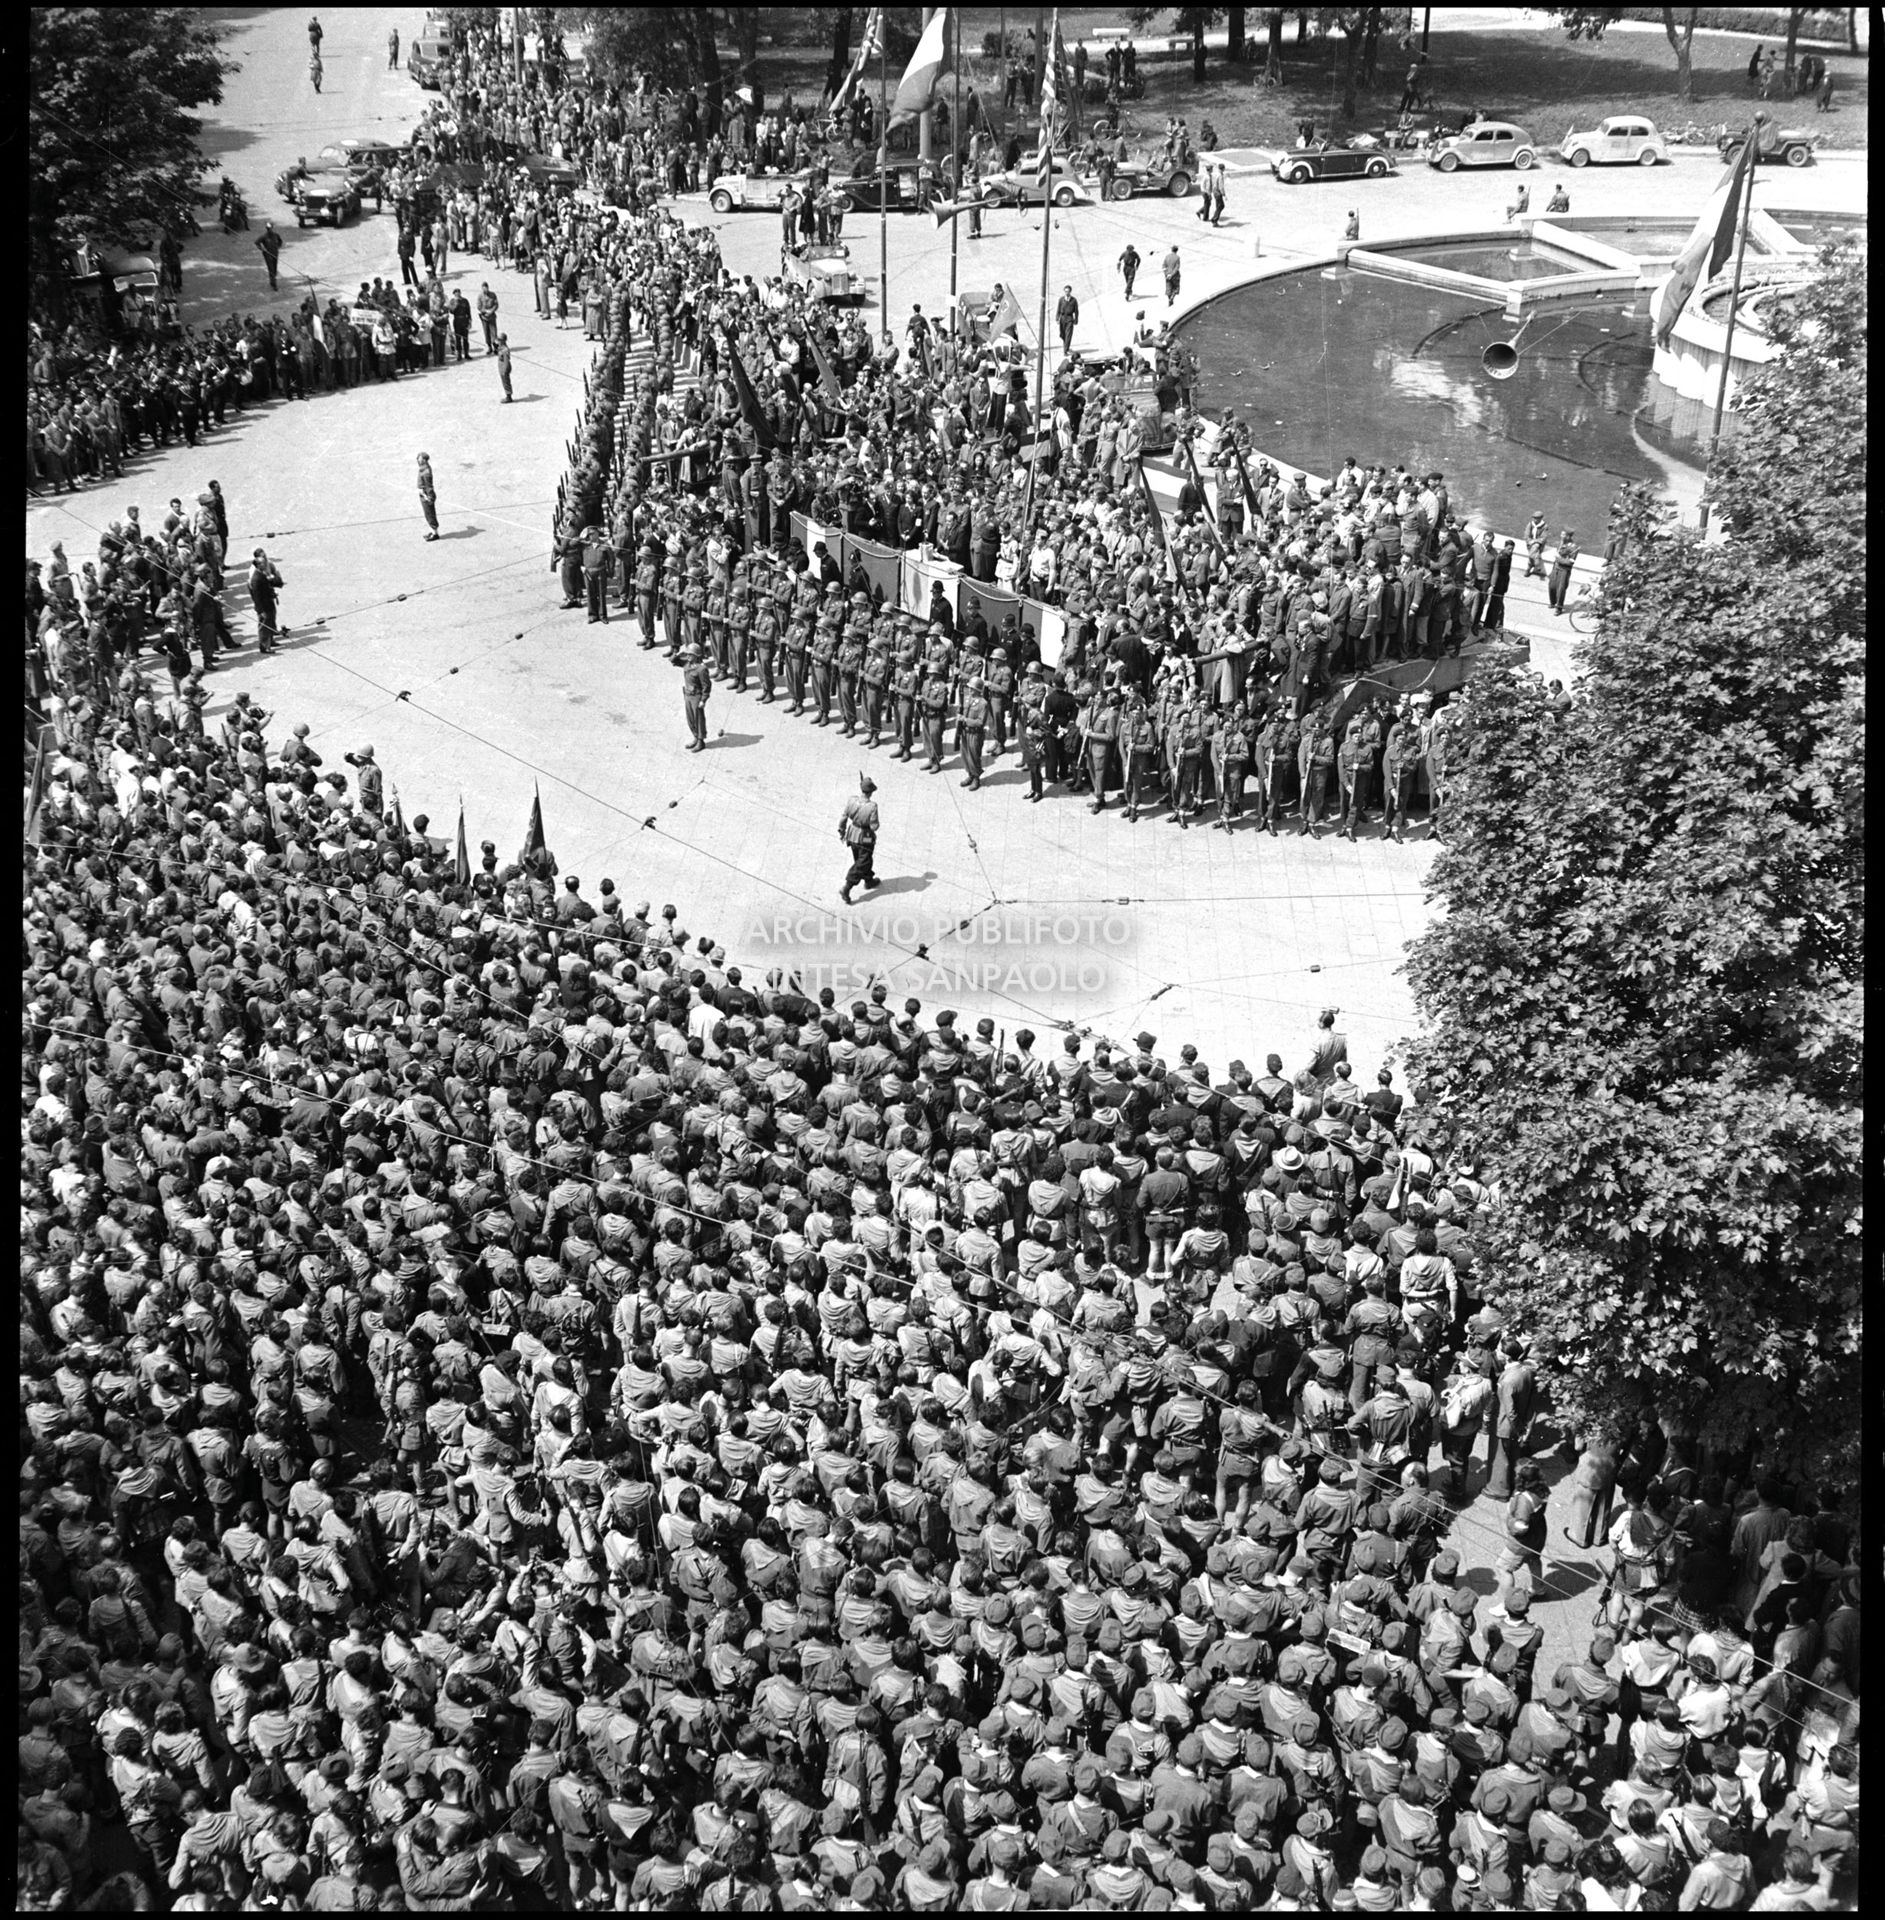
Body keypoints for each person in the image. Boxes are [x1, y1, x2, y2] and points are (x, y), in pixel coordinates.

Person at [839, 771, 880, 901]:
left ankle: (868, 880)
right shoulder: (872, 806)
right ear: (871, 792)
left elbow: (843, 818)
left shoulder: (852, 800)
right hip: (865, 836)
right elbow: (874, 826)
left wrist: (842, 831)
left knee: (862, 858)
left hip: (851, 833)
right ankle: (847, 887)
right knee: (863, 861)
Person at [247, 548, 285, 654]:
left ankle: (271, 640)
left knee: (271, 621)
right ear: (258, 565)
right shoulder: (256, 578)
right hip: (264, 606)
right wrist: (260, 610)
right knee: (264, 625)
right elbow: (256, 597)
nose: (265, 563)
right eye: (263, 563)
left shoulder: (262, 574)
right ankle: (264, 646)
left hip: (269, 602)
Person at [682, 644, 712, 749]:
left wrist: (703, 700)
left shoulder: (701, 669)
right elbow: (673, 661)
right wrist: (678, 654)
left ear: (696, 655)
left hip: (696, 696)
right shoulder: (687, 664)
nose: (688, 656)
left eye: (690, 654)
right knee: (690, 719)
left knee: (698, 719)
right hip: (687, 695)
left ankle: (701, 741)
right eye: (687, 654)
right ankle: (695, 736)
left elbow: (706, 686)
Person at [1548, 528, 1579, 614]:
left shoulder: (1574, 547)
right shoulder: (1561, 543)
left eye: (1563, 535)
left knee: (1561, 589)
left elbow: (1570, 562)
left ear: (1568, 536)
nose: (1561, 536)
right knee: (1552, 586)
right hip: (1556, 568)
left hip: (1564, 570)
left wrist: (1558, 559)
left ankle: (1559, 607)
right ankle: (1553, 602)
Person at [417, 452, 439, 540]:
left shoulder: (426, 471)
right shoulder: (423, 468)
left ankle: (435, 534)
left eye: (420, 458)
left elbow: (429, 486)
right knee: (427, 514)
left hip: (426, 495)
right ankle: (432, 531)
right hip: (423, 494)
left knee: (430, 514)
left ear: (424, 460)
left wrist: (429, 497)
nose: (418, 460)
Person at [255, 222, 283, 291]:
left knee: (275, 268)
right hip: (268, 255)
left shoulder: (276, 235)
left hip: (275, 254)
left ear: (272, 228)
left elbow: (280, 241)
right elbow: (257, 242)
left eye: (270, 228)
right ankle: (274, 284)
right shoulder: (264, 236)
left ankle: (272, 280)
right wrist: (262, 249)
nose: (269, 230)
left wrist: (278, 247)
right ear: (267, 229)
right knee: (271, 269)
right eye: (268, 229)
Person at [1056, 284, 1079, 355]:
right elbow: (1058, 309)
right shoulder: (1061, 300)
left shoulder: (1074, 300)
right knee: (1063, 334)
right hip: (1062, 319)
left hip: (1069, 319)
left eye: (1068, 291)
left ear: (1070, 292)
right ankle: (1066, 346)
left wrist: (1076, 320)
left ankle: (1065, 350)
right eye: (1065, 291)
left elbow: (1076, 311)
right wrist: (1057, 318)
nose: (1067, 293)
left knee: (1068, 334)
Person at [497, 332, 514, 401]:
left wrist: (505, 370)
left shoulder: (505, 349)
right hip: (501, 366)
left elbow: (506, 361)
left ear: (503, 340)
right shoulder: (501, 347)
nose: (498, 341)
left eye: (499, 340)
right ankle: (508, 394)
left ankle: (508, 396)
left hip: (504, 366)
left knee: (506, 381)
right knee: (504, 381)